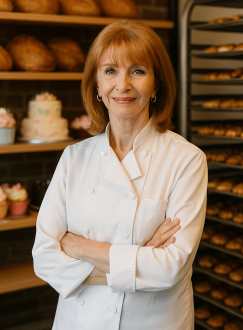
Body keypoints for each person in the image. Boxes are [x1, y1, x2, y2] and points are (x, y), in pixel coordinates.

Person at [32, 19, 207, 330]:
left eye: (138, 71)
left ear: (157, 84)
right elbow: (44, 258)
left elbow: (171, 268)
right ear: (97, 84)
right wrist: (141, 258)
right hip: (79, 321)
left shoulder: (186, 160)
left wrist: (83, 248)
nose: (123, 84)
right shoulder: (74, 157)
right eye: (110, 70)